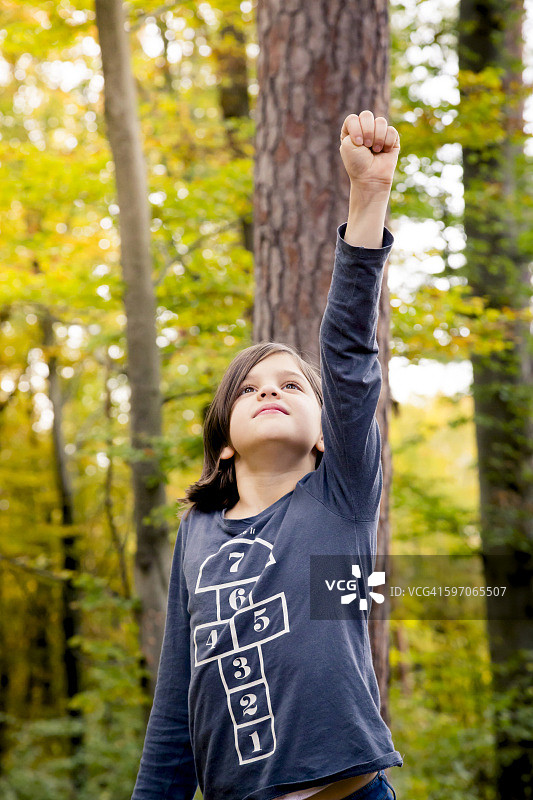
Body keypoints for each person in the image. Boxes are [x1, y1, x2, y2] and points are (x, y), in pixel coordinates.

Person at [131, 110, 402, 800]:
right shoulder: (195, 537)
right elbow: (173, 710)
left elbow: (346, 356)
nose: (269, 391)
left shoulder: (338, 498)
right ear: (224, 439)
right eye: (248, 389)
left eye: (289, 384)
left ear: (323, 433)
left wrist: (366, 197)